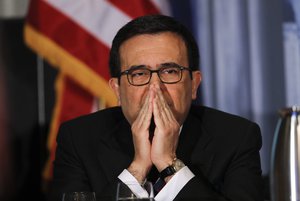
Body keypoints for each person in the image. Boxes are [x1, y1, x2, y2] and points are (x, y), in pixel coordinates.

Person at [48, 14, 264, 201]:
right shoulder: (79, 139)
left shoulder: (237, 138)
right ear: (117, 90)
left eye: (170, 71)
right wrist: (137, 169)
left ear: (194, 85)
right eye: (139, 74)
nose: (155, 88)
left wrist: (169, 164)